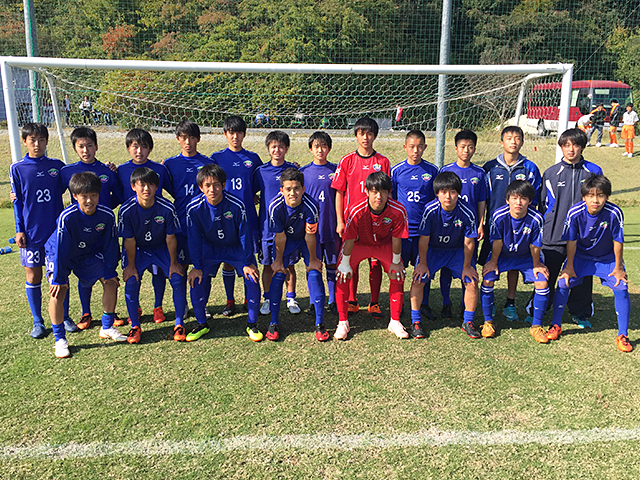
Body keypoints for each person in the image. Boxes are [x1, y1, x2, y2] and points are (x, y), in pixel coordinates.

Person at [549, 174, 632, 352]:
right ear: (584, 196)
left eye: (600, 195)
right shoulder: (575, 212)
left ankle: (623, 335)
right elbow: (571, 241)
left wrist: (618, 268)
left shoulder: (614, 213)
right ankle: (555, 325)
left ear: (607, 196)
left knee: (621, 287)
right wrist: (569, 267)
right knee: (563, 283)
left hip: (607, 258)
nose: (595, 200)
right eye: (591, 195)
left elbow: (618, 241)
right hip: (581, 257)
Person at [529, 128, 602, 328]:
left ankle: (580, 313)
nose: (571, 149)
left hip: (583, 235)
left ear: (582, 147)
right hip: (554, 233)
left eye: (575, 145)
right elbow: (543, 204)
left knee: (581, 275)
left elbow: (599, 201)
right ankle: (539, 309)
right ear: (561, 147)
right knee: (548, 273)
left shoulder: (594, 171)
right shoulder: (551, 173)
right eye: (567, 145)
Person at [44, 172, 122, 357]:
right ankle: (59, 339)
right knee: (59, 290)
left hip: (87, 253)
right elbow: (61, 249)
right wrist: (58, 278)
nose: (89, 200)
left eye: (93, 195)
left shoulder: (106, 215)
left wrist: (110, 270)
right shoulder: (67, 217)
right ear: (75, 196)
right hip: (59, 253)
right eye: (84, 196)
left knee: (111, 282)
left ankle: (107, 327)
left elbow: (110, 245)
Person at [186, 164, 262, 342]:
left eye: (216, 185)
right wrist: (197, 266)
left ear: (223, 185)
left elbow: (244, 235)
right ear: (201, 187)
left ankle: (252, 324)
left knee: (252, 278)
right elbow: (194, 239)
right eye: (207, 185)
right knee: (196, 280)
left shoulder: (236, 205)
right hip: (210, 249)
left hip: (235, 248)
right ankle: (202, 324)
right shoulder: (194, 208)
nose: (212, 189)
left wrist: (248, 262)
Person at [10, 123, 71, 339]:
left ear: (47, 141)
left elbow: (76, 182)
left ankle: (64, 316)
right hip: (31, 232)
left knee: (59, 274)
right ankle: (38, 322)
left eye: (41, 140)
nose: (37, 144)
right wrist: (19, 229)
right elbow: (17, 202)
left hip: (55, 232)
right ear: (25, 142)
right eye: (32, 140)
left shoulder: (57, 166)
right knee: (33, 275)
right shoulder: (17, 168)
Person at [61, 127, 123, 330]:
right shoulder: (67, 172)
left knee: (108, 271)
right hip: (79, 232)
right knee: (83, 276)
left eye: (89, 145)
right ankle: (85, 313)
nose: (85, 150)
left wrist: (103, 209)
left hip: (102, 230)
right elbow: (52, 194)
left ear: (96, 146)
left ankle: (110, 313)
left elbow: (119, 196)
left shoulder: (107, 171)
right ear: (74, 148)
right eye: (81, 146)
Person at [335, 171, 408, 340]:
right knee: (342, 275)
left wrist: (396, 261)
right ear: (366, 191)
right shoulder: (356, 210)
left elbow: (397, 238)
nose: (379, 196)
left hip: (384, 245)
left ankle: (395, 321)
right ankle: (342, 322)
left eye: (383, 192)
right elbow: (349, 239)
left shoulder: (398, 210)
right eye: (374, 191)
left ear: (389, 192)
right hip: (359, 244)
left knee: (397, 274)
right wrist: (345, 263)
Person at [331, 117, 391, 320]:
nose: (365, 138)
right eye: (361, 134)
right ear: (356, 136)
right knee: (351, 261)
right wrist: (340, 221)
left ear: (375, 136)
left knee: (375, 261)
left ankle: (374, 302)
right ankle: (352, 301)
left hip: (376, 221)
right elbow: (339, 192)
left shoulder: (382, 162)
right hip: (352, 222)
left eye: (370, 134)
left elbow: (387, 193)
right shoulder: (347, 161)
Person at [118, 167, 187, 343]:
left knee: (177, 277)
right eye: (142, 184)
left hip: (161, 247)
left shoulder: (167, 207)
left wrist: (173, 263)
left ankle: (179, 323)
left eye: (150, 184)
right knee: (131, 280)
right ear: (133, 186)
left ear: (157, 187)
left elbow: (170, 238)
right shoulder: (126, 210)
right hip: (138, 249)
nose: (146, 189)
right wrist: (131, 266)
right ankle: (135, 326)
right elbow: (129, 241)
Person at [481, 126, 541, 322]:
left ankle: (510, 302)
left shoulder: (530, 168)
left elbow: (535, 198)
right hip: (495, 226)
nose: (513, 141)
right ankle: (488, 303)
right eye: (509, 138)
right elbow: (483, 198)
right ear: (501, 142)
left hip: (520, 227)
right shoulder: (490, 167)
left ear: (522, 142)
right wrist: (482, 222)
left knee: (514, 264)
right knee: (490, 263)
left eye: (517, 138)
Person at [411, 172, 479, 339]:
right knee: (419, 279)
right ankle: (415, 321)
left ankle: (468, 322)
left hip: (456, 251)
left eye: (452, 192)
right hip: (434, 250)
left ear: (458, 193)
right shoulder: (430, 210)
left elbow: (469, 242)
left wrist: (467, 266)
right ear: (437, 194)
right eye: (443, 192)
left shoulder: (467, 211)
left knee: (471, 281)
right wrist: (422, 263)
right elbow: (424, 239)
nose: (448, 196)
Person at [116, 128, 173, 325]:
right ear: (128, 148)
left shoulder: (159, 169)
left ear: (150, 148)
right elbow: (116, 195)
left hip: (156, 228)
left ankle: (158, 306)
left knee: (158, 271)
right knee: (134, 272)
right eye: (135, 146)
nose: (139, 151)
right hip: (133, 228)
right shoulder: (121, 170)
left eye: (144, 147)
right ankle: (137, 307)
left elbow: (173, 191)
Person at [480, 180, 549, 343]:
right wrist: (493, 262)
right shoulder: (498, 216)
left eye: (523, 198)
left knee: (542, 282)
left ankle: (536, 326)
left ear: (530, 201)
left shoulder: (536, 218)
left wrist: (536, 265)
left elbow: (535, 245)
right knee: (488, 279)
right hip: (503, 255)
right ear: (507, 199)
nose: (518, 202)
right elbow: (497, 242)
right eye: (514, 198)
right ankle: (488, 322)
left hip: (527, 256)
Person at [266, 168, 326, 341]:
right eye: (288, 189)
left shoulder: (311, 205)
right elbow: (280, 237)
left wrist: (313, 260)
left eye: (297, 188)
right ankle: (274, 322)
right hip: (285, 240)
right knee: (278, 274)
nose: (293, 193)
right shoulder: (275, 206)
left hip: (306, 239)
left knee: (314, 274)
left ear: (303, 189)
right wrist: (278, 261)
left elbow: (310, 235)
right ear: (281, 190)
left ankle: (320, 323)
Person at [211, 116, 262, 316]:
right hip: (224, 217)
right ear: (225, 134)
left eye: (239, 133)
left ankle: (249, 298)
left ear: (244, 134)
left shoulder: (253, 158)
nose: (235, 137)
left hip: (247, 216)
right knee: (228, 259)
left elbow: (259, 182)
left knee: (248, 256)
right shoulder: (216, 158)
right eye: (231, 133)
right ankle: (229, 300)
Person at [163, 120, 215, 318]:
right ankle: (182, 303)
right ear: (178, 139)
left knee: (203, 266)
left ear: (198, 139)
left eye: (192, 137)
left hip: (203, 225)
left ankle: (202, 304)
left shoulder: (207, 163)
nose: (188, 142)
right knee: (181, 266)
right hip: (181, 224)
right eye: (184, 138)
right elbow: (170, 188)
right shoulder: (170, 164)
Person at [439, 129, 489, 320]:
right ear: (455, 148)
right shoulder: (446, 171)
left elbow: (482, 200)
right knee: (445, 265)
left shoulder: (480, 173)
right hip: (449, 227)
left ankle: (463, 304)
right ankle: (446, 302)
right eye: (462, 146)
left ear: (474, 149)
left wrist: (481, 223)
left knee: (468, 264)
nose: (466, 150)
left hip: (470, 227)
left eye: (470, 147)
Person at [390, 129, 439, 325]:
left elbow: (436, 199)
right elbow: (392, 200)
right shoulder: (396, 171)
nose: (415, 150)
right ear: (405, 147)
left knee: (423, 269)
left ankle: (423, 304)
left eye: (419, 146)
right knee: (399, 269)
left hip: (423, 232)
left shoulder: (432, 171)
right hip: (402, 232)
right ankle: (400, 303)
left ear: (425, 147)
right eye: (411, 146)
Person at [253, 131, 300, 316]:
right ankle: (267, 298)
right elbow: (252, 191)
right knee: (267, 265)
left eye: (281, 146)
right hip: (267, 227)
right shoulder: (261, 171)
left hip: (289, 227)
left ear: (286, 148)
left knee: (289, 265)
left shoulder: (293, 170)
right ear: (268, 149)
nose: (277, 150)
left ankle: (291, 297)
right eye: (273, 146)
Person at [300, 131, 340, 315]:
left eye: (324, 146)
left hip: (331, 227)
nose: (320, 150)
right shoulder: (303, 173)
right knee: (312, 266)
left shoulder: (336, 171)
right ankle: (314, 301)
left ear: (329, 149)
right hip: (311, 230)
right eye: (316, 146)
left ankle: (333, 300)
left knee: (332, 265)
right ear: (310, 149)